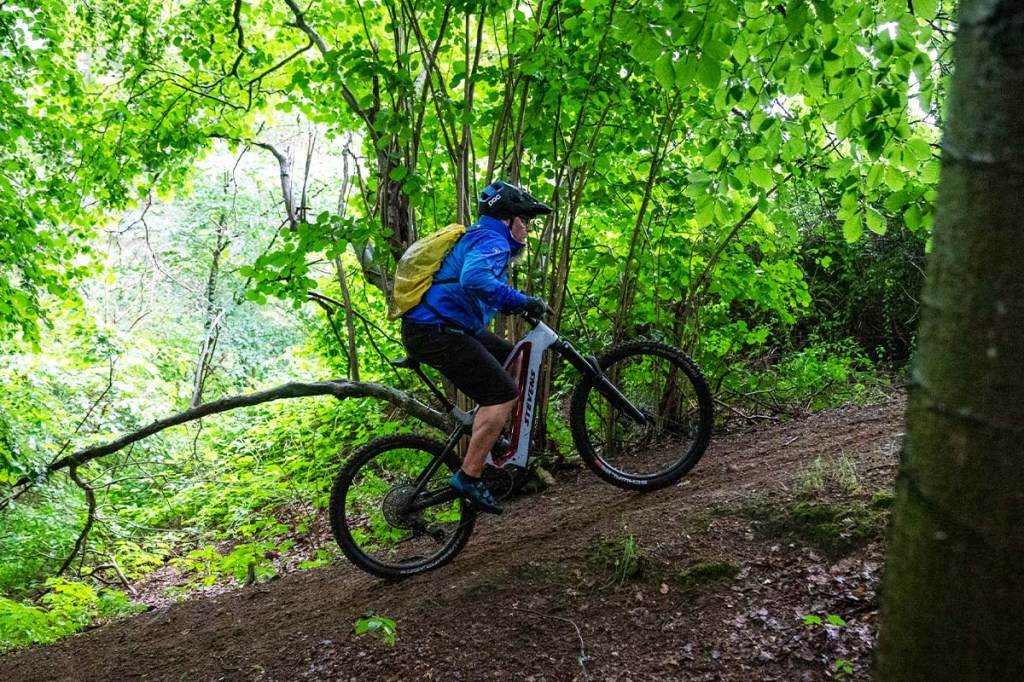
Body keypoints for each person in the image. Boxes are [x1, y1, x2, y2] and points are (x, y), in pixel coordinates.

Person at [401, 180, 553, 515]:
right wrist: (522, 301)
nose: (527, 226)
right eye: (523, 219)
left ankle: (489, 441)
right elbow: (475, 279)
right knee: (501, 393)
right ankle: (470, 476)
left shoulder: (480, 236)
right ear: (505, 218)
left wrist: (515, 303)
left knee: (514, 359)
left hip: (444, 327)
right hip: (436, 331)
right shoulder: (492, 239)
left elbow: (469, 286)